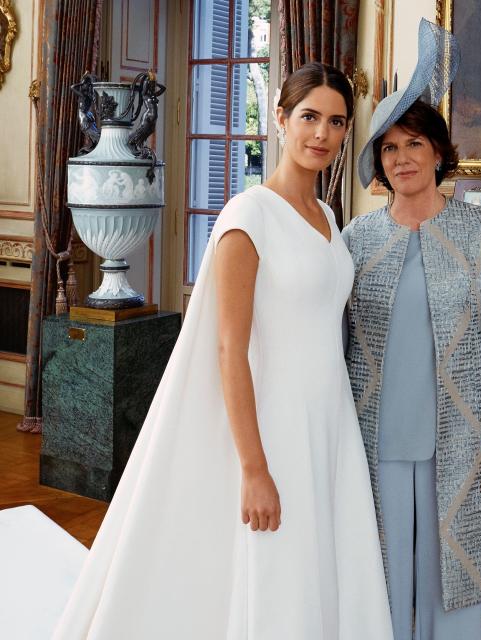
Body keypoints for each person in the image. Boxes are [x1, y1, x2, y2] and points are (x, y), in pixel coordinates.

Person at [52, 62, 393, 640]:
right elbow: (229, 351)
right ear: (280, 119)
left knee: (322, 565)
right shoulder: (248, 216)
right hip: (273, 426)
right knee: (274, 568)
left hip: (328, 424)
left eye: (336, 122)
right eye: (309, 117)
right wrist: (255, 470)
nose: (323, 134)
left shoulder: (331, 219)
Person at [343, 19, 481, 640]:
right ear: (377, 161)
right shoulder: (356, 240)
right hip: (373, 440)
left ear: (440, 153)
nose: (402, 159)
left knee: (454, 576)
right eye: (389, 149)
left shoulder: (479, 233)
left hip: (461, 440)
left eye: (413, 144)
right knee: (381, 571)